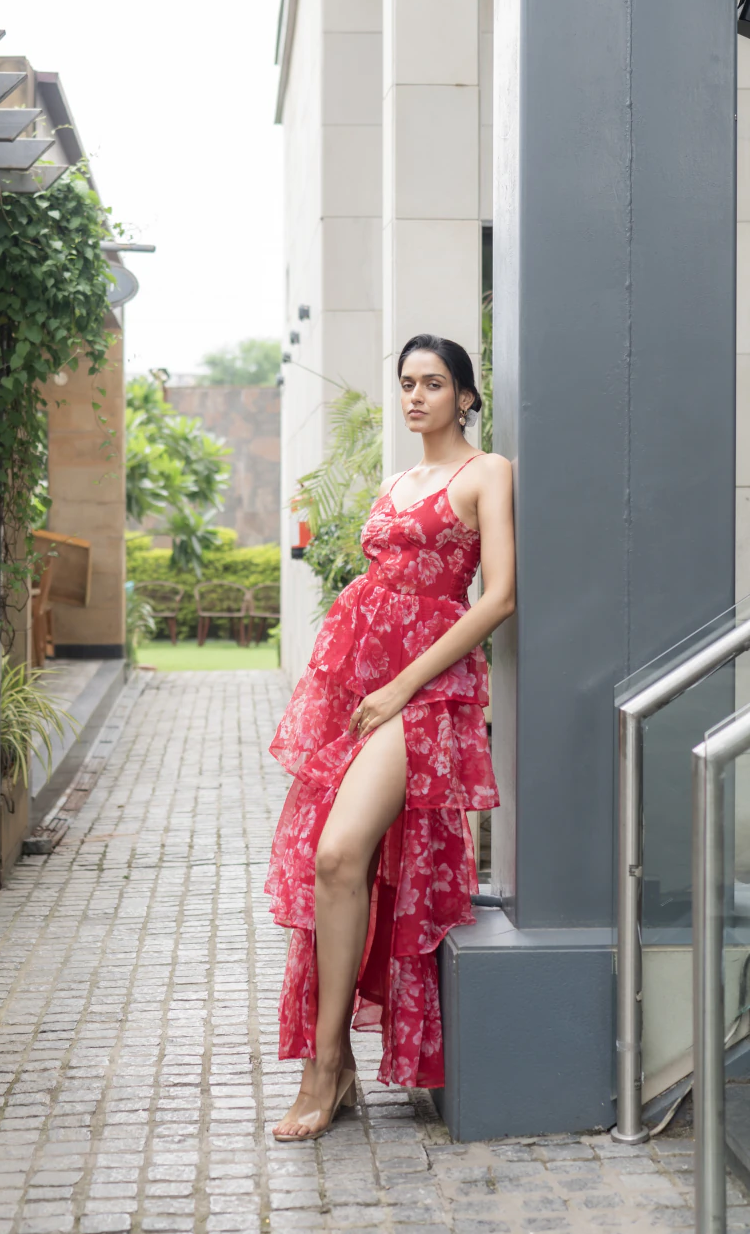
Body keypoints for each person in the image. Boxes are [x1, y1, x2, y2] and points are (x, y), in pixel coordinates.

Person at [267, 333, 516, 1141]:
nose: (416, 396)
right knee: (332, 862)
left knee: (340, 853)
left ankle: (328, 1060)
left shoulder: (487, 474)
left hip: (425, 692)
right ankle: (330, 1062)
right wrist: (361, 681)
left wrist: (402, 685)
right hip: (362, 683)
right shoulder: (396, 478)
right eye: (407, 383)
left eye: (434, 383)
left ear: (466, 397)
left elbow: (499, 597)